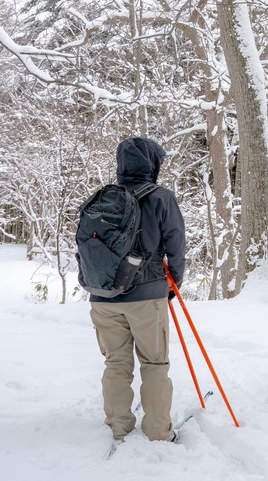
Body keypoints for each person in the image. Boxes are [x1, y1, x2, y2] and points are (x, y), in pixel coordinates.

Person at [89, 137, 186, 443]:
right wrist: (173, 283)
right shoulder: (161, 198)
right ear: (152, 164)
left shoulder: (102, 198)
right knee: (155, 363)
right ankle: (158, 432)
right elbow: (176, 247)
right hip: (147, 296)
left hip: (103, 296)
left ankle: (119, 425)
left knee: (116, 362)